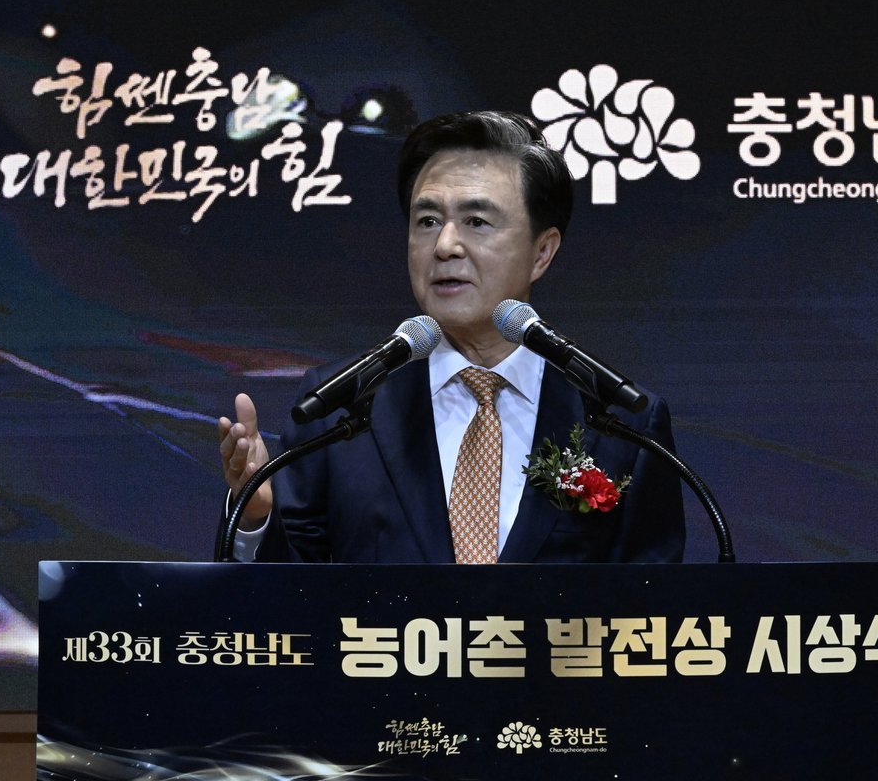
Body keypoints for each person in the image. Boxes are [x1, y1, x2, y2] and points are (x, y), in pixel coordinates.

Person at [218, 111, 684, 563]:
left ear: (542, 252)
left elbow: (656, 605)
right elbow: (287, 599)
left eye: (476, 221)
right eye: (428, 221)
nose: (444, 246)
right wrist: (255, 515)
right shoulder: (340, 406)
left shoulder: (620, 424)